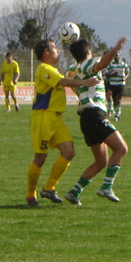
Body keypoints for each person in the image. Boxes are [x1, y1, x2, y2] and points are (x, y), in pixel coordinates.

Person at [26, 39, 100, 206]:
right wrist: (84, 82)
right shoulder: (44, 69)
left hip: (56, 118)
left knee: (69, 151)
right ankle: (31, 194)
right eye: (54, 48)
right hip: (43, 116)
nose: (58, 50)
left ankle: (49, 188)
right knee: (40, 157)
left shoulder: (52, 69)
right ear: (46, 52)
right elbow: (62, 81)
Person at [64, 37, 129, 206]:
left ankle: (74, 192)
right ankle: (106, 187)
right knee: (121, 148)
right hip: (94, 114)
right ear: (88, 52)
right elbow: (100, 65)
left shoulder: (71, 70)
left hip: (86, 118)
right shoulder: (87, 64)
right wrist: (115, 48)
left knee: (101, 162)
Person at [106, 52, 130, 121]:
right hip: (112, 83)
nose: (117, 57)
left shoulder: (123, 65)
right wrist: (113, 74)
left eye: (118, 56)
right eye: (115, 56)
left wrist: (124, 78)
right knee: (111, 98)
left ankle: (117, 115)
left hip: (120, 84)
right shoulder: (111, 65)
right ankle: (111, 109)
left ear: (120, 57)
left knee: (118, 99)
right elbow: (107, 74)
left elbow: (128, 72)